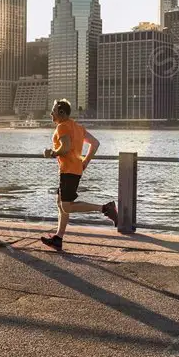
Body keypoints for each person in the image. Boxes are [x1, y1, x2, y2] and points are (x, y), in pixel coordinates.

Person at [40, 99, 118, 251]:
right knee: (60, 204)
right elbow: (95, 143)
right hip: (74, 170)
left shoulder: (62, 127)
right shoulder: (78, 127)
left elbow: (66, 147)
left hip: (68, 171)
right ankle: (58, 238)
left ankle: (105, 208)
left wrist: (51, 153)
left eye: (53, 110)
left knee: (66, 207)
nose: (51, 113)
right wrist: (85, 162)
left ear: (61, 113)